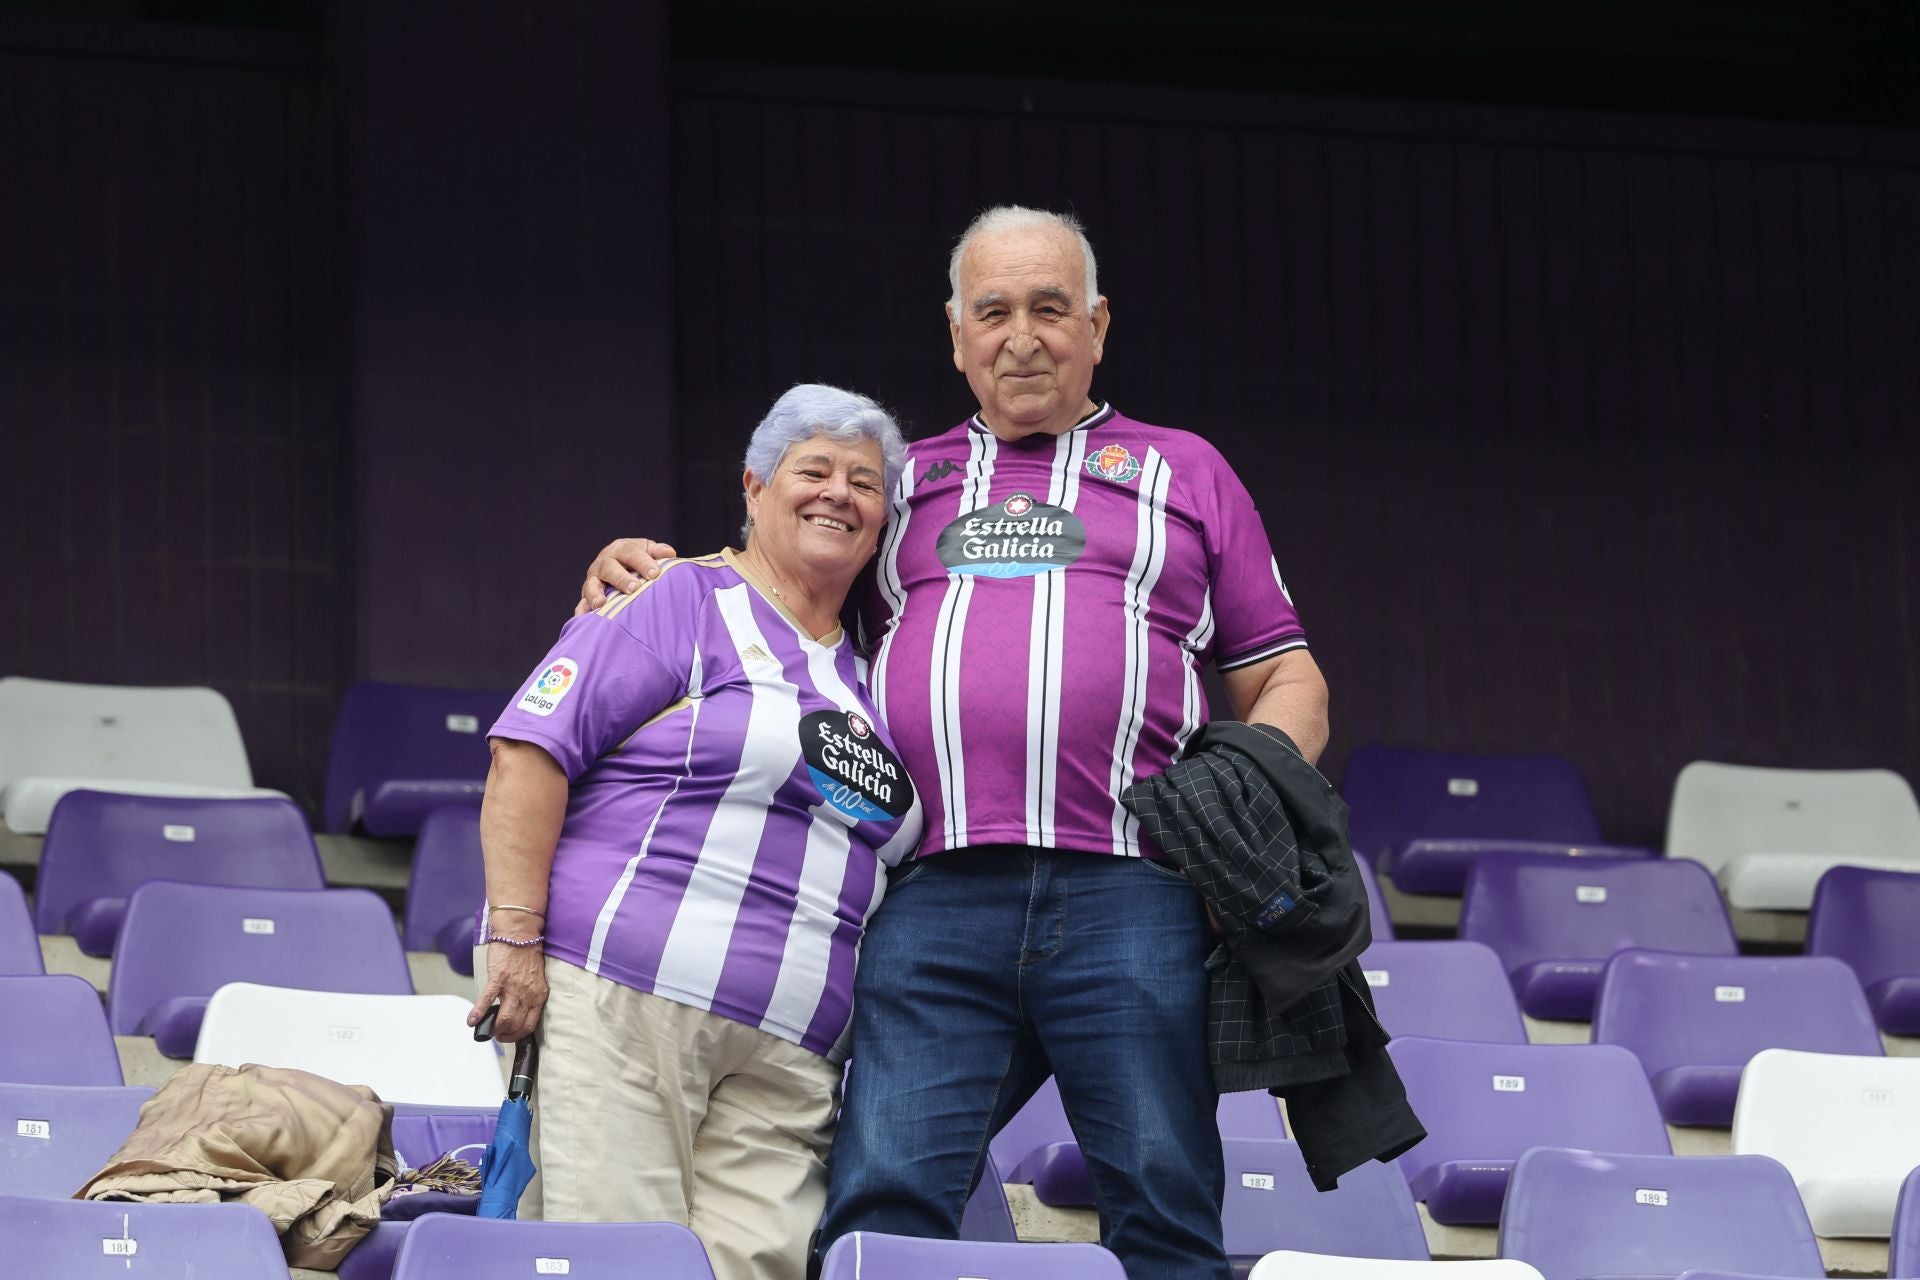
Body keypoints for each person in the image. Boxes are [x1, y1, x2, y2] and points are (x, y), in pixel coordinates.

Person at [578, 207, 1330, 1280]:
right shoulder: (905, 480)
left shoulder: (1187, 472)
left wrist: (1252, 818)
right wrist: (655, 569)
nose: (1021, 335)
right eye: (994, 311)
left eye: (1049, 308)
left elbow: (1287, 677)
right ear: (956, 335)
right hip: (931, 899)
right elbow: (783, 572)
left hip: (1134, 892)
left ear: (1098, 324)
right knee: (884, 1202)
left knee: (1162, 1204)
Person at [472, 382, 923, 1280]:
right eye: (814, 469)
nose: (839, 492)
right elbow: (529, 754)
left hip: (794, 1052)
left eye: (866, 483)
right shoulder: (676, 599)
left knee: (763, 1266)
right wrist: (513, 938)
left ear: (885, 524)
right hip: (625, 1005)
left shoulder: (887, 676)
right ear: (754, 487)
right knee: (621, 1266)